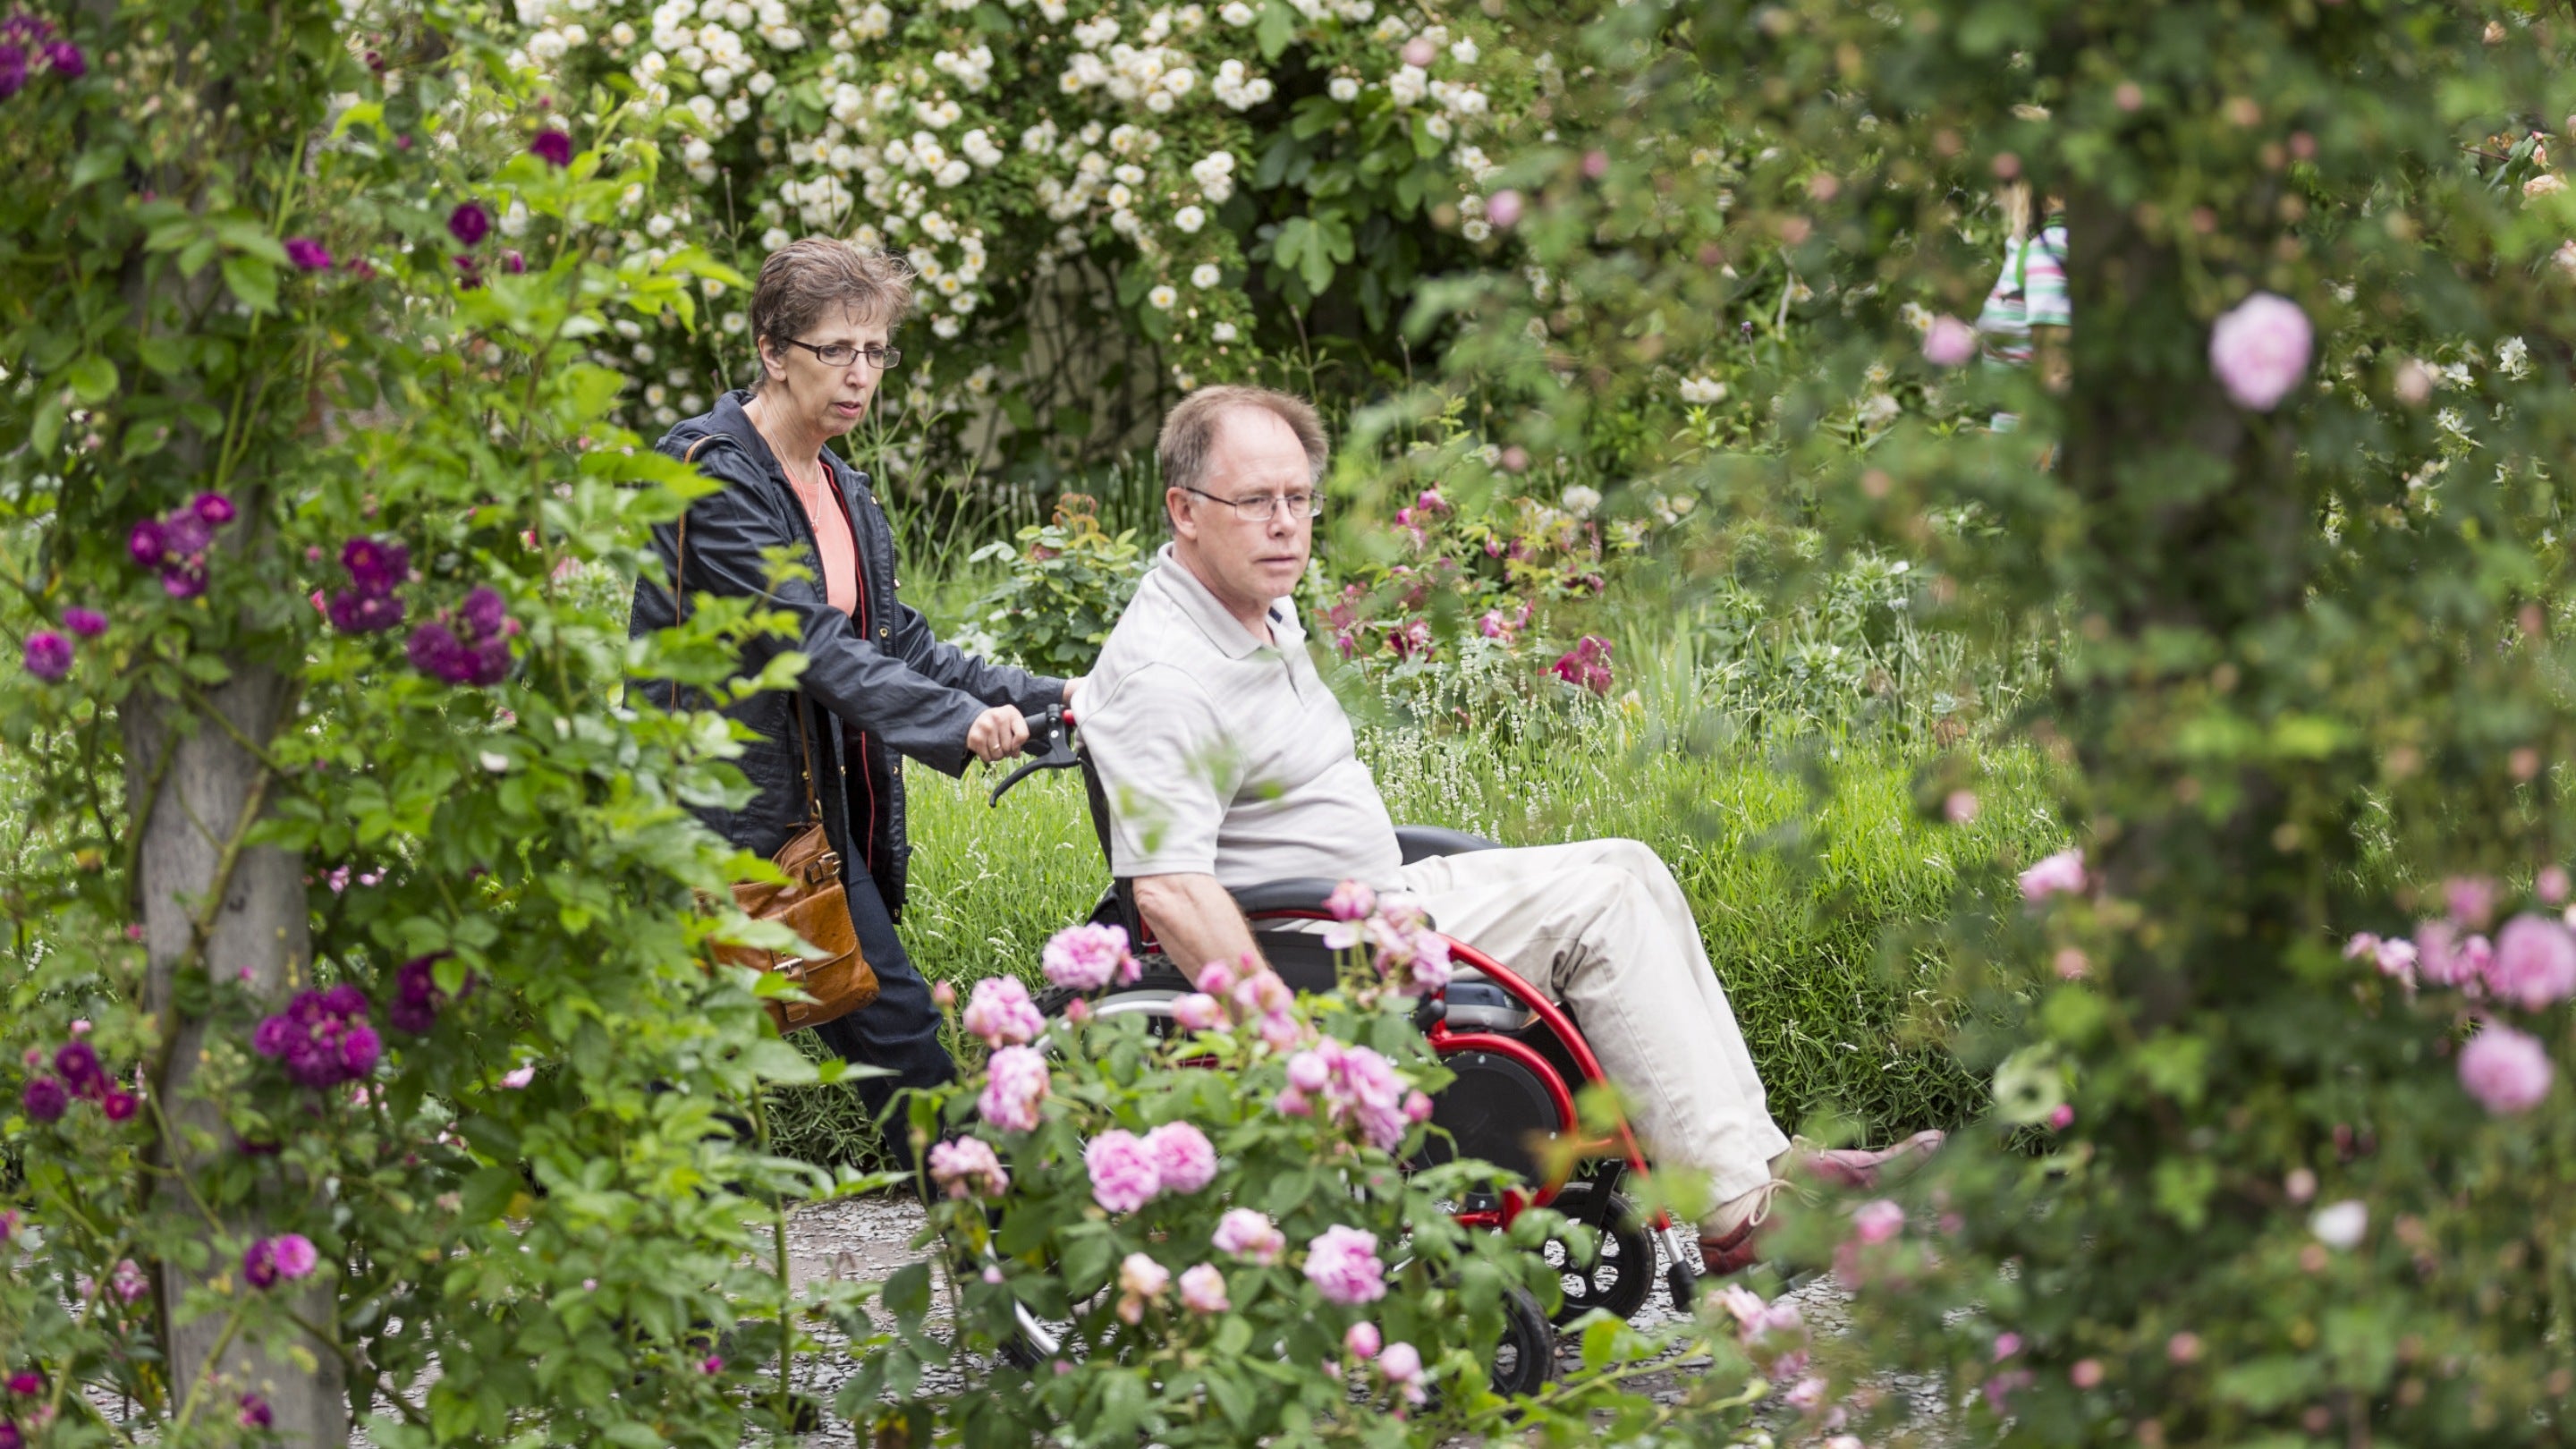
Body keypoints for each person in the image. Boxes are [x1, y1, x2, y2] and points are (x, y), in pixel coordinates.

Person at [1072, 386, 1936, 1273]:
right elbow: (1170, 889)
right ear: (1184, 510)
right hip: (1326, 949)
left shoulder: (1246, 608)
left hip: (1379, 900)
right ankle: (1736, 1215)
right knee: (1603, 906)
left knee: (1627, 866)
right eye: (1256, 501)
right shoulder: (1167, 675)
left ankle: (1761, 1160)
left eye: (1300, 498)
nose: (1287, 525)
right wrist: (1284, 1043)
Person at [630, 238, 1076, 1166]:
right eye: (835, 349)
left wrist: (1057, 693)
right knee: (714, 1103)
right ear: (770, 348)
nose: (860, 374)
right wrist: (955, 724)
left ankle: (989, 1256)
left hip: (811, 827)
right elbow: (810, 646)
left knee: (879, 1051)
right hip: (721, 832)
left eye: (875, 352)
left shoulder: (842, 486)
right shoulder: (711, 477)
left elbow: (896, 641)